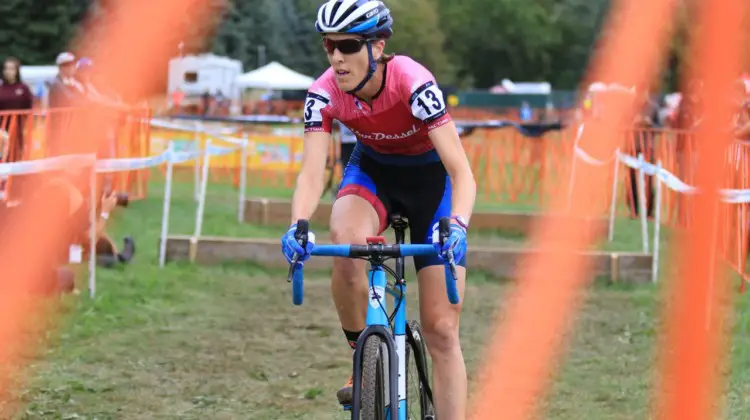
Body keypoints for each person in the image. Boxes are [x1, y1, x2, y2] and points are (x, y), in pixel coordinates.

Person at [279, 1, 476, 418]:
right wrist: (297, 225)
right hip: (373, 174)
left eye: (348, 45)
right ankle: (361, 355)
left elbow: (461, 172)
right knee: (344, 241)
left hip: (431, 185)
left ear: (378, 46)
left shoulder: (413, 82)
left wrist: (457, 224)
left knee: (442, 330)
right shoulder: (323, 92)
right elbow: (312, 175)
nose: (336, 57)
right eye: (329, 45)